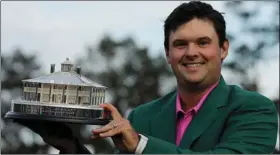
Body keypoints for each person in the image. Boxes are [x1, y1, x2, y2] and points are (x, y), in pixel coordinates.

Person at [15, 1, 278, 154]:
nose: (191, 53)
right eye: (180, 44)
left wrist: (140, 145)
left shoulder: (254, 109)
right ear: (167, 53)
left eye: (203, 42)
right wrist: (69, 145)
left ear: (223, 49)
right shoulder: (141, 116)